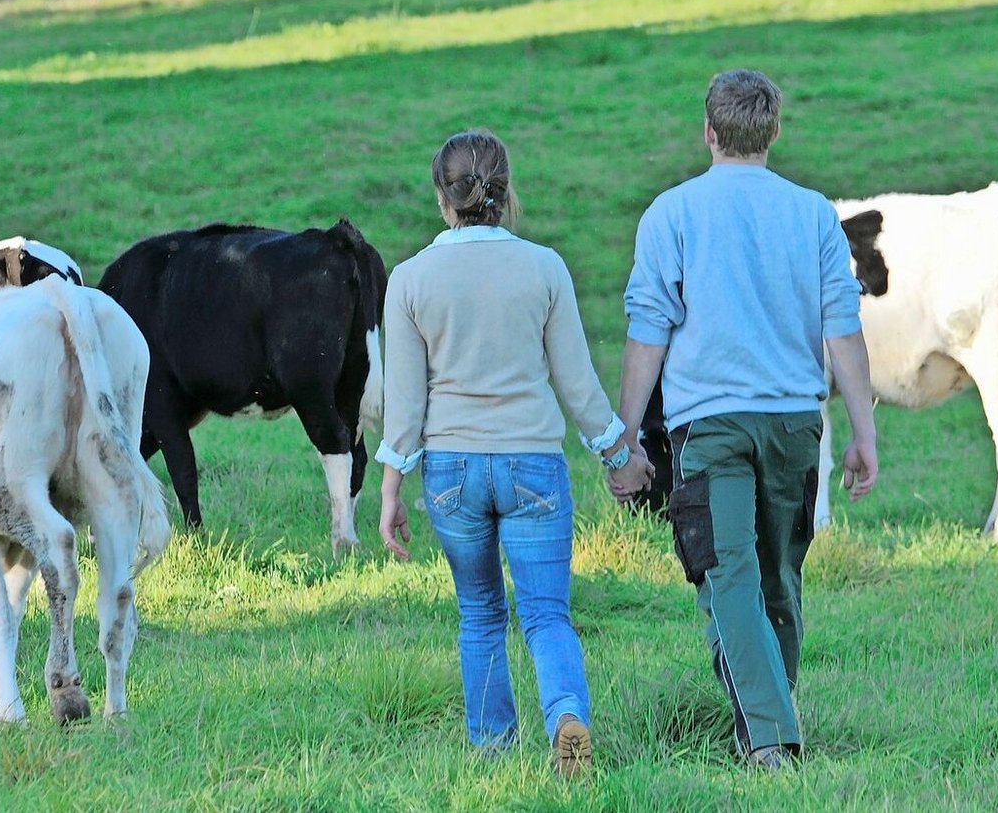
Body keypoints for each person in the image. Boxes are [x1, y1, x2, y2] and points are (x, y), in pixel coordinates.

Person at [607, 70, 878, 770]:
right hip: (796, 422)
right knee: (778, 580)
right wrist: (862, 431)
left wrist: (625, 436)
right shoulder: (813, 212)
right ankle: (768, 728)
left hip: (711, 424)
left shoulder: (671, 213)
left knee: (729, 574)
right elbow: (842, 329)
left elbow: (648, 332)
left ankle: (768, 734)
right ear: (774, 132)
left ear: (708, 131)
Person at [376, 129, 651, 777]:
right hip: (533, 463)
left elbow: (405, 405)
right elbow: (578, 384)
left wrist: (391, 487)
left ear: (443, 197)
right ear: (505, 191)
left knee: (479, 612)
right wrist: (620, 456)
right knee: (548, 613)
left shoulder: (410, 279)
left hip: (452, 472)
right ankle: (565, 716)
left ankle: (493, 751)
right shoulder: (545, 267)